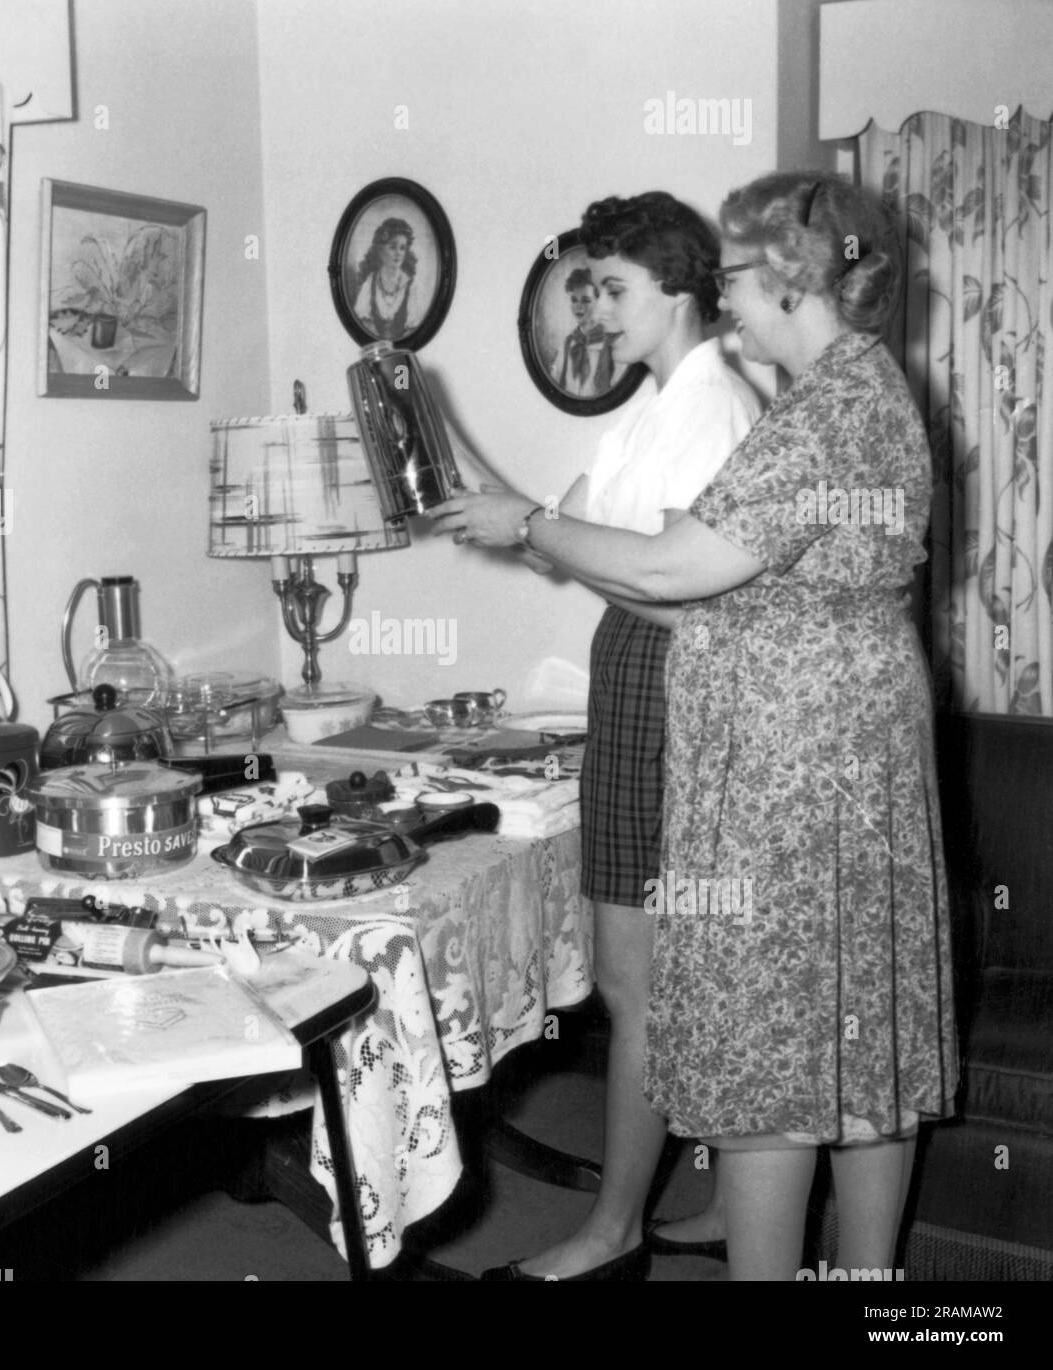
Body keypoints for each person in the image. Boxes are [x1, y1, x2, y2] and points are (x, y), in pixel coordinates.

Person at [432, 171, 958, 1280]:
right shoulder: (871, 391)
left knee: (765, 1055)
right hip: (851, 748)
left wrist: (528, 520)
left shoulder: (819, 416)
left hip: (790, 763)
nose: (720, 298)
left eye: (730, 274)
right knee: (861, 1041)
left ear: (788, 279)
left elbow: (677, 566)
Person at [461, 190, 762, 1282]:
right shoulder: (645, 410)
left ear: (679, 290)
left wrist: (538, 528)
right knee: (671, 974)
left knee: (639, 983)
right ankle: (730, 1198)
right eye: (589, 287)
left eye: (615, 288)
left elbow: (686, 594)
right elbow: (552, 542)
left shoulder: (713, 407)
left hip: (676, 693)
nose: (595, 309)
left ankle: (612, 1227)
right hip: (640, 689)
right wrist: (445, 459)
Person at [353, 217, 418, 341]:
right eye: (393, 247)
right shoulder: (371, 281)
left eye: (402, 248)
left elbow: (412, 329)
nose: (398, 253)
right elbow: (364, 321)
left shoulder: (410, 285)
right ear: (380, 250)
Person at [549, 266, 604, 397]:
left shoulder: (610, 346)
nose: (578, 306)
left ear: (599, 302)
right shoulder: (567, 344)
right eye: (574, 300)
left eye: (586, 300)